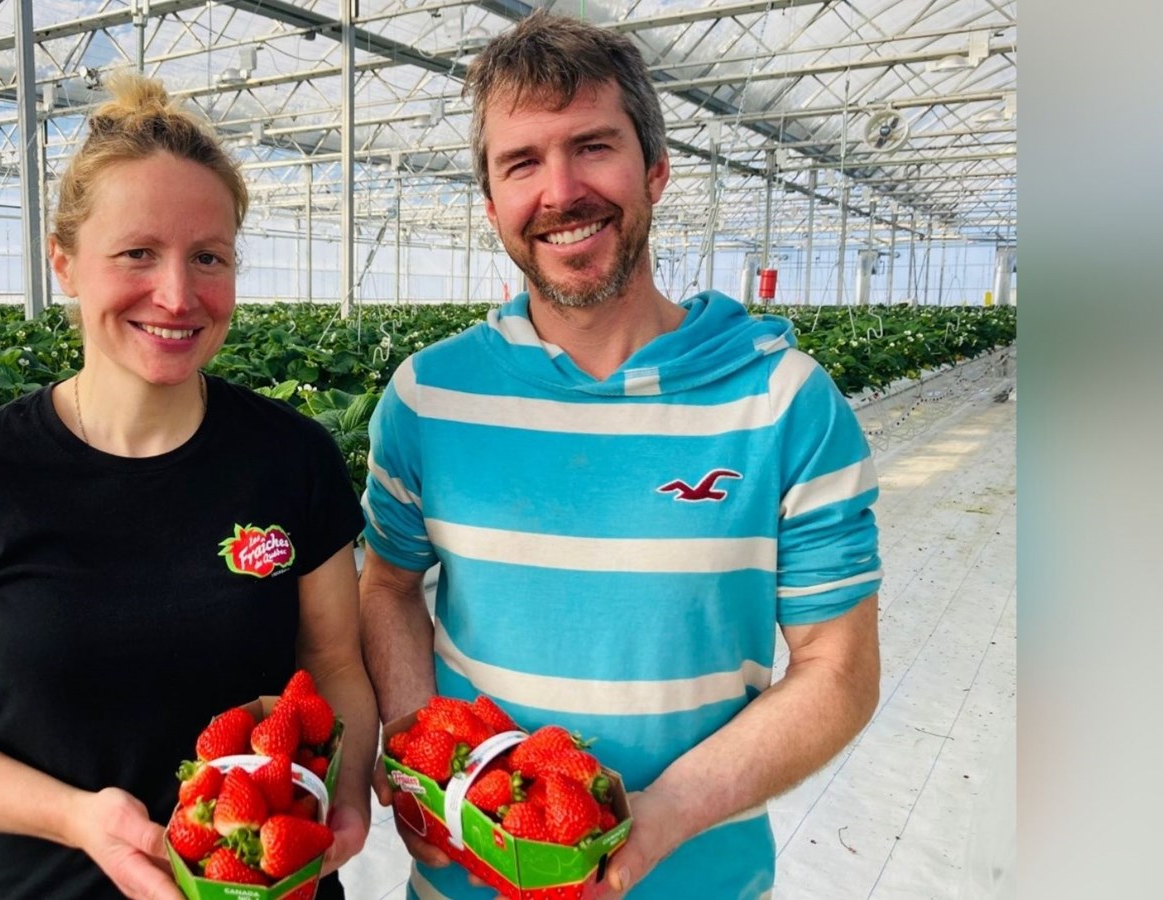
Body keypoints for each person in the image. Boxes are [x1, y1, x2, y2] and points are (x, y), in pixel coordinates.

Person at [358, 12, 881, 900]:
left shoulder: (785, 403)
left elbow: (840, 669)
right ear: (491, 204)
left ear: (656, 169)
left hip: (698, 880)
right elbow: (389, 586)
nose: (560, 191)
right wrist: (422, 750)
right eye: (521, 163)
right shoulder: (426, 399)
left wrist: (666, 812)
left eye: (592, 147)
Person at [0, 71, 377, 900]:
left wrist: (343, 794)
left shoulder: (293, 456)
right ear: (64, 263)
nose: (177, 294)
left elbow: (334, 663)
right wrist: (76, 818)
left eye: (208, 258)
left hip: (269, 883)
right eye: (138, 253)